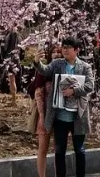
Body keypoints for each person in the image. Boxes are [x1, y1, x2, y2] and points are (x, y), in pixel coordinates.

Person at [33, 37, 94, 177]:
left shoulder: (85, 67)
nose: (64, 50)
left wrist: (74, 91)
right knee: (59, 151)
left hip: (78, 115)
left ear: (77, 50)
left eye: (68, 47)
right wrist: (37, 61)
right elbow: (44, 70)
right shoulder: (57, 64)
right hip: (60, 115)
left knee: (79, 149)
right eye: (63, 47)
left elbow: (90, 86)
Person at [32, 43, 63, 177]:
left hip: (61, 115)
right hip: (44, 115)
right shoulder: (44, 71)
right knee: (43, 149)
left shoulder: (65, 70)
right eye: (54, 52)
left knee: (59, 150)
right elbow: (38, 95)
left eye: (59, 52)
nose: (56, 54)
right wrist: (42, 116)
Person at [2, 24, 21, 107]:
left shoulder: (11, 35)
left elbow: (6, 47)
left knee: (12, 79)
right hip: (16, 58)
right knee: (12, 80)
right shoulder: (18, 35)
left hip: (10, 58)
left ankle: (13, 101)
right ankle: (14, 100)